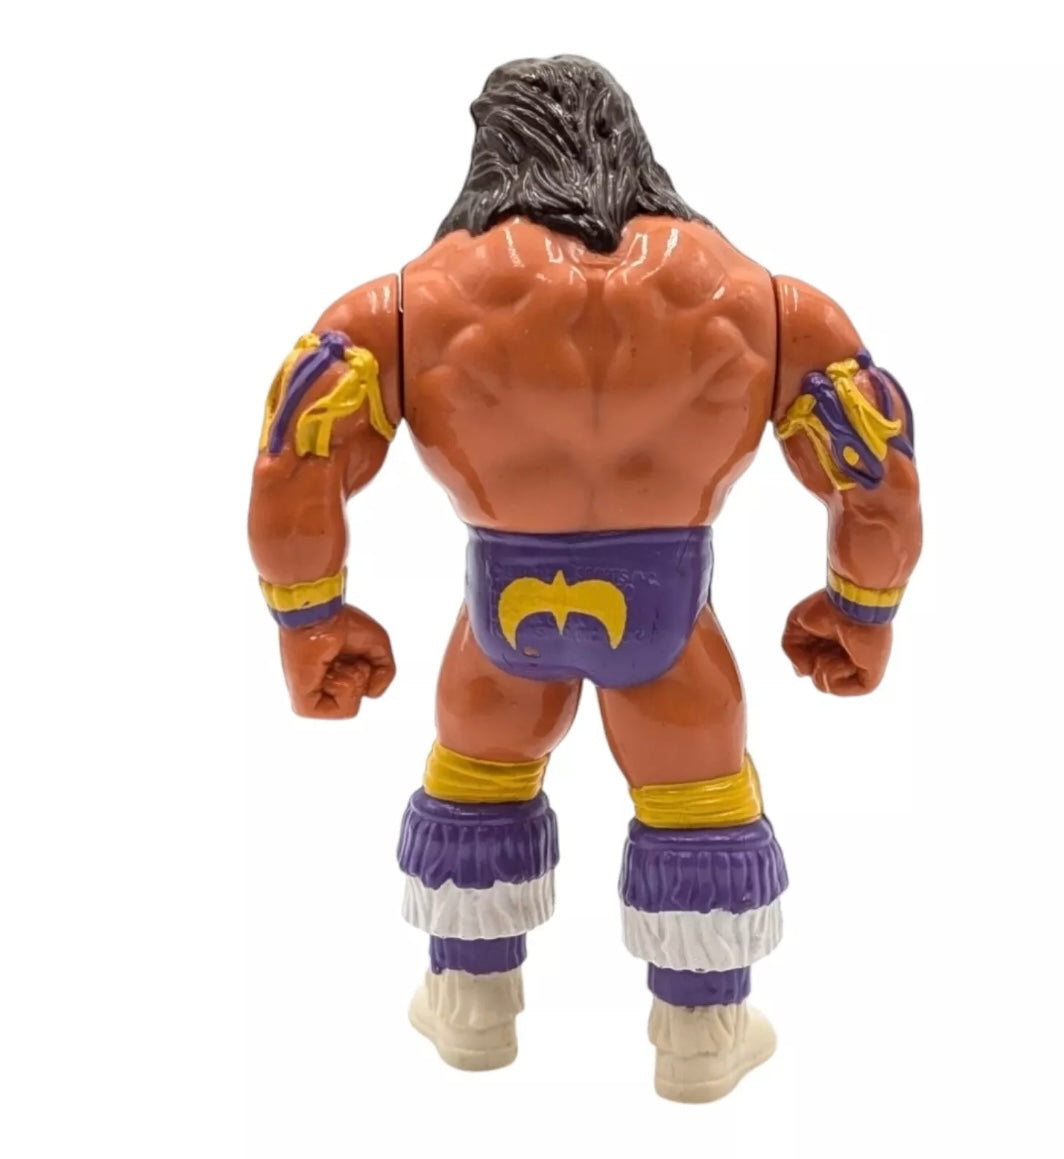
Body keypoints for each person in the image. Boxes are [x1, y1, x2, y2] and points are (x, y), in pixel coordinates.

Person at [248, 55, 922, 1103]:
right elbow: (873, 469)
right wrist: (859, 607)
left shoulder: (411, 305)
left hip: (501, 615)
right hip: (669, 618)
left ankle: (471, 1009)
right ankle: (701, 1036)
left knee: (476, 781)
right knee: (698, 799)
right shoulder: (761, 303)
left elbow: (298, 454)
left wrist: (312, 619)